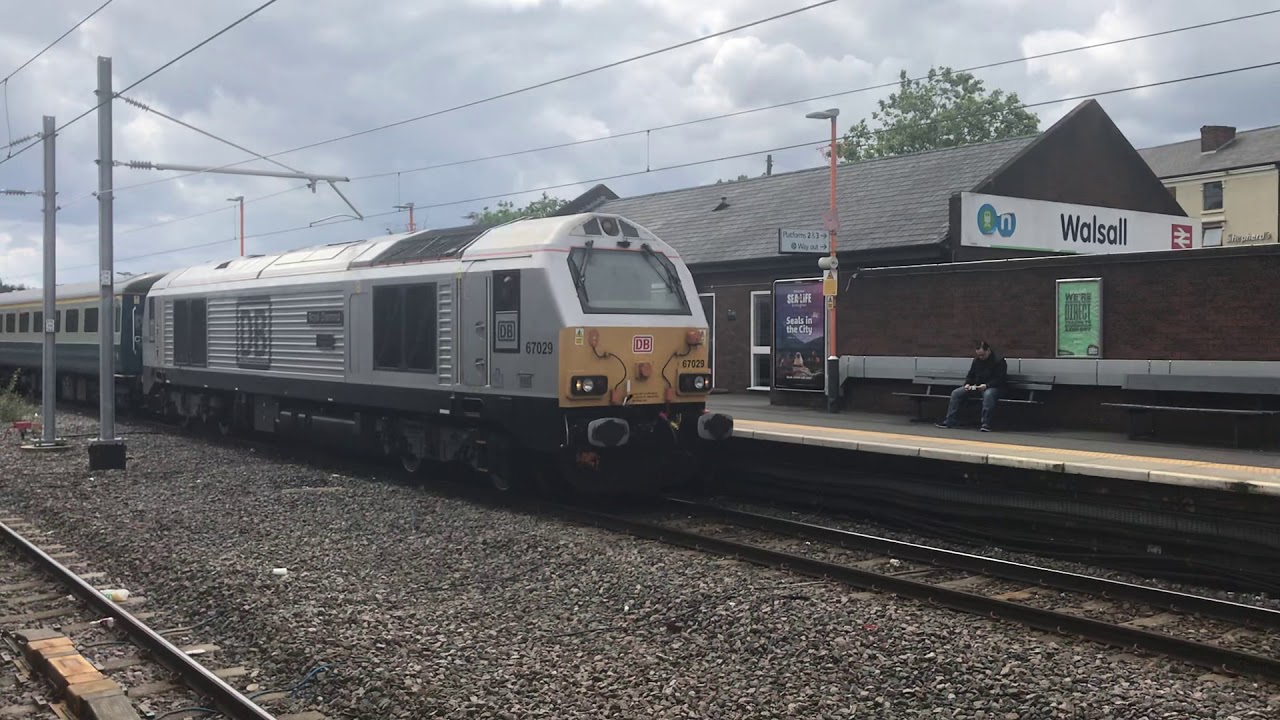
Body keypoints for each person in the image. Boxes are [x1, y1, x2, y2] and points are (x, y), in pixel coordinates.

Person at [936, 341, 1007, 432]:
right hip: (977, 386)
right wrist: (967, 384)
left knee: (988, 395)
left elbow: (1000, 379)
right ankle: (950, 420)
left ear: (988, 350)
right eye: (979, 355)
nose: (981, 357)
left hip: (995, 387)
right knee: (956, 393)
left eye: (983, 355)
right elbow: (970, 375)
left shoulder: (999, 361)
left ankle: (986, 423)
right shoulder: (977, 361)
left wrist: (987, 385)